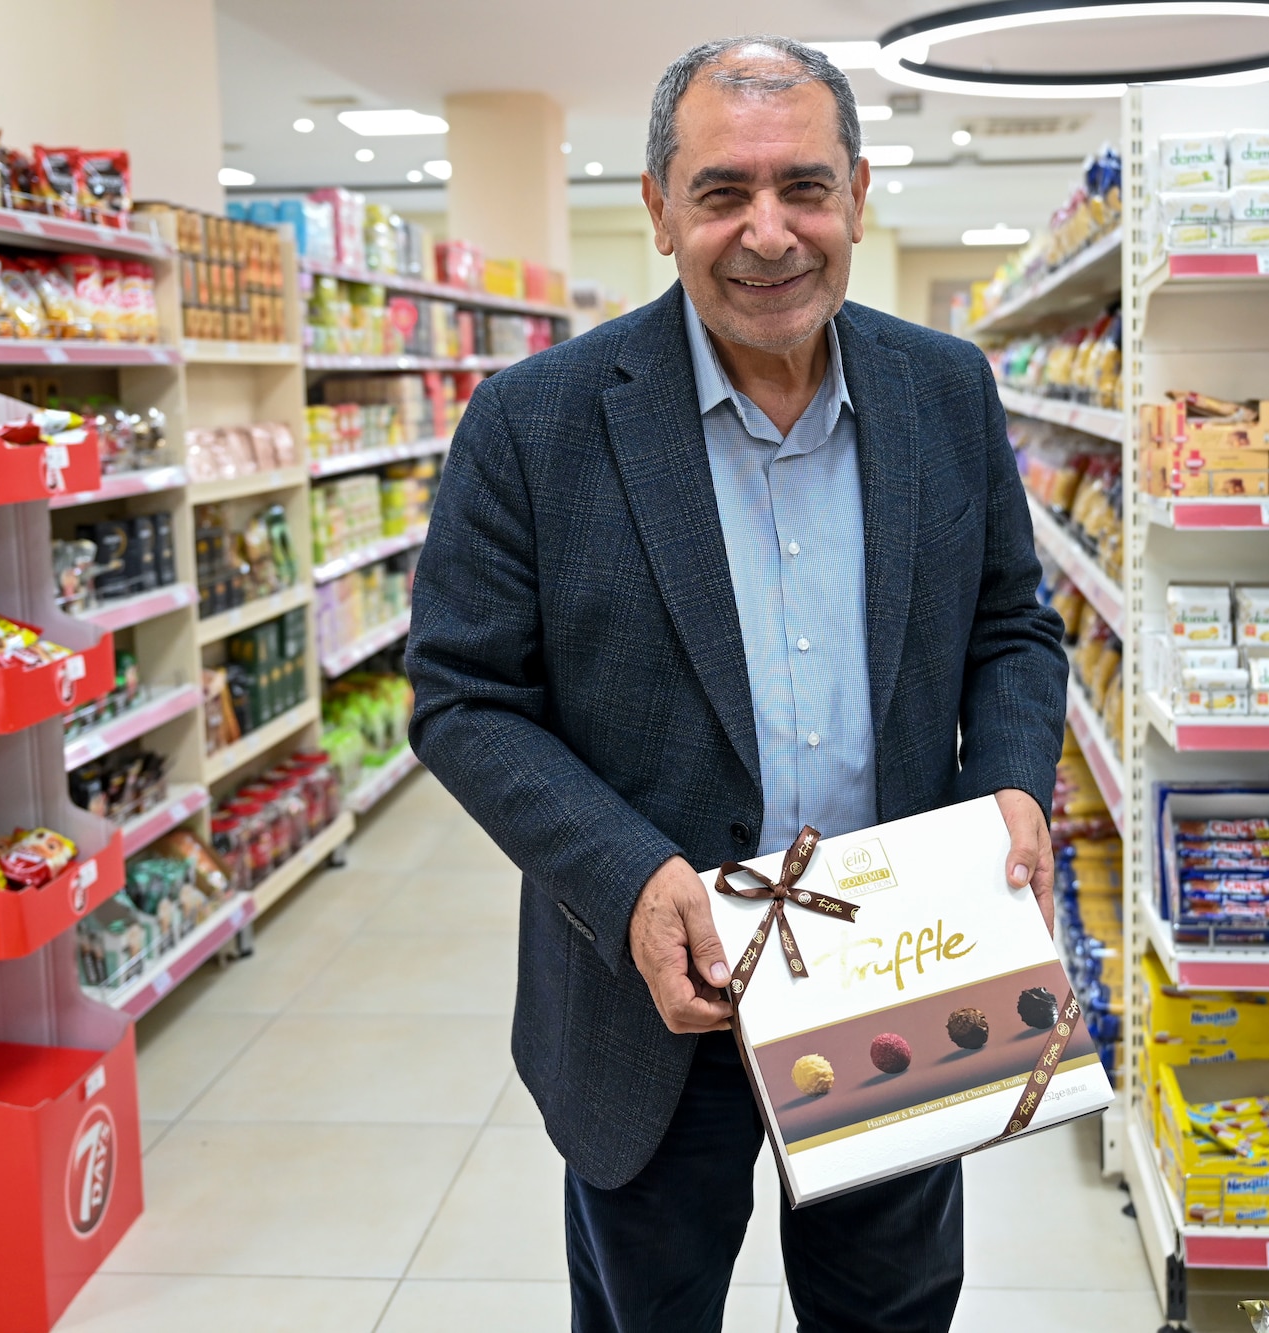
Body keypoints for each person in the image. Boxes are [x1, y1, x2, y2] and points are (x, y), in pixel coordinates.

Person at [406, 33, 1068, 1333]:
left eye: (805, 188)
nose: (770, 232)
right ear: (660, 210)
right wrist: (628, 879)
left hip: (900, 962)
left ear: (859, 198)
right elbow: (463, 695)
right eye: (722, 193)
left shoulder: (945, 391)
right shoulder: (536, 421)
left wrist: (1008, 785)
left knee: (891, 1307)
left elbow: (1011, 631)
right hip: (652, 996)